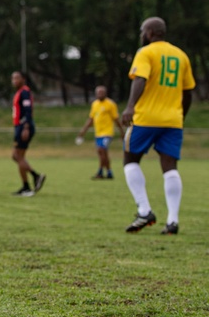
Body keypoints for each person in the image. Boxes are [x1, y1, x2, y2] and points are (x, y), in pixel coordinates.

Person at [120, 17, 195, 235]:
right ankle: (172, 221)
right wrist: (181, 115)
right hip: (173, 120)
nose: (142, 34)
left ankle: (144, 211)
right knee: (170, 167)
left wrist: (130, 106)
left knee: (130, 160)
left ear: (151, 32)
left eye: (143, 30)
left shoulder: (146, 52)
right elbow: (187, 91)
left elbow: (140, 79)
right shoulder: (181, 56)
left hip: (146, 118)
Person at [77, 85, 124, 180]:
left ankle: (100, 172)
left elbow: (116, 119)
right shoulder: (95, 104)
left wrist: (122, 132)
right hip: (98, 133)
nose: (99, 94)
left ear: (105, 93)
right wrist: (83, 131)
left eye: (101, 92)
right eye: (98, 93)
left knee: (101, 150)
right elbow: (91, 119)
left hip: (107, 133)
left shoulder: (110, 104)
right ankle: (109, 172)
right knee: (103, 154)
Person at [10, 70, 45, 196]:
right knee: (17, 156)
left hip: (23, 126)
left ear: (23, 79)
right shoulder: (19, 92)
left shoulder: (25, 91)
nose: (14, 80)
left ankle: (35, 177)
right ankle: (26, 186)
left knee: (18, 156)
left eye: (17, 78)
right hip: (19, 126)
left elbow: (28, 110)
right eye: (13, 78)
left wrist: (26, 127)